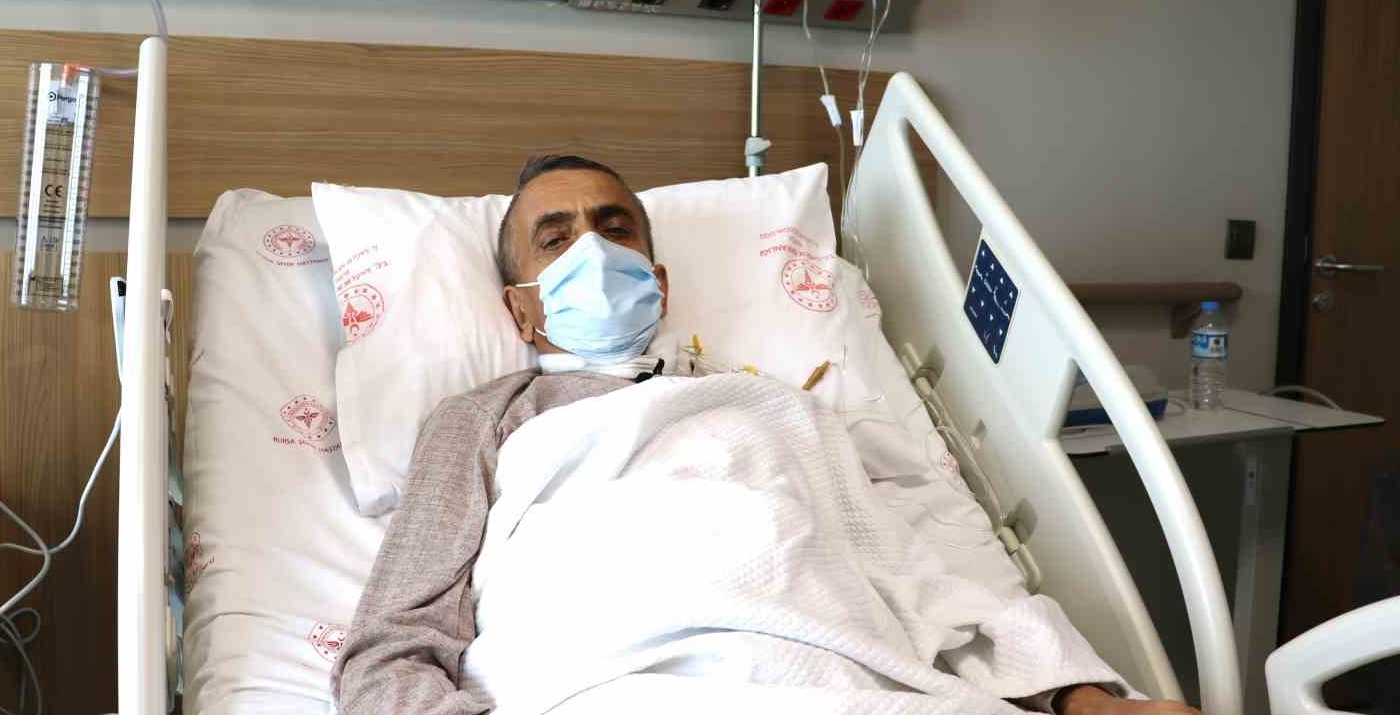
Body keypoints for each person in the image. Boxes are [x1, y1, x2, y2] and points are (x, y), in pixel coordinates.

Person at [334, 155, 1201, 715]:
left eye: (614, 226)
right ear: (520, 310)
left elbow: (915, 579)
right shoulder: (484, 418)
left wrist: (1083, 699)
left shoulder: (773, 407)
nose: (592, 249)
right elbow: (395, 643)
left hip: (837, 684)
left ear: (658, 281)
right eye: (554, 239)